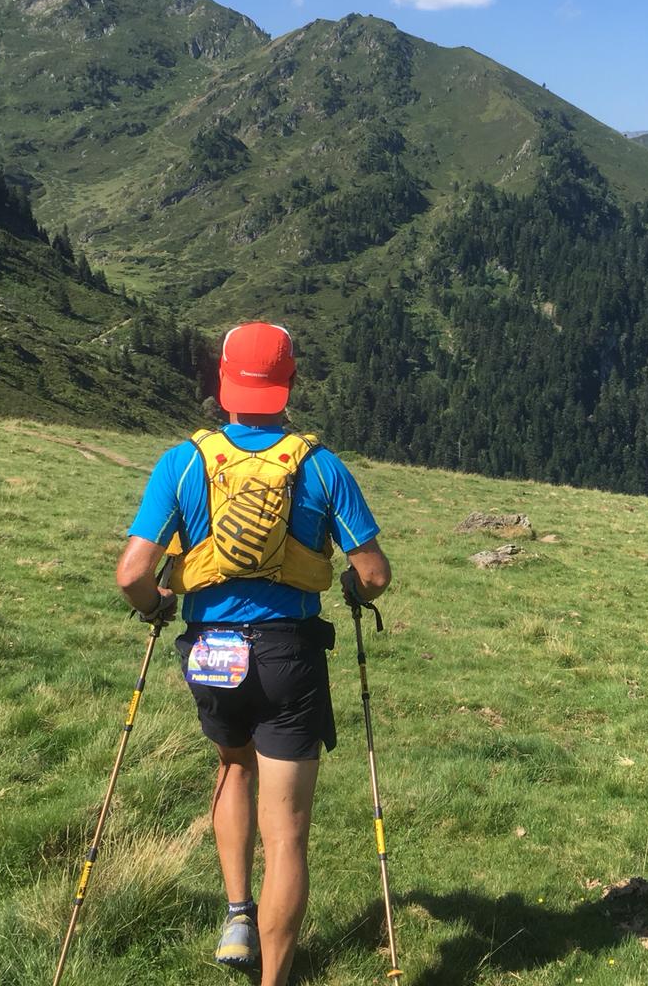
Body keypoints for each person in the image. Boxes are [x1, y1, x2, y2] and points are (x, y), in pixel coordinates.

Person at [116, 321, 390, 985]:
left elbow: (132, 574)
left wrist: (157, 606)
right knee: (288, 831)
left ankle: (237, 913)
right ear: (289, 382)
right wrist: (354, 587)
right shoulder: (320, 466)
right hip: (287, 657)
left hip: (210, 654)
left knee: (232, 769)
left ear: (224, 384)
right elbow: (374, 573)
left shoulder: (183, 461)